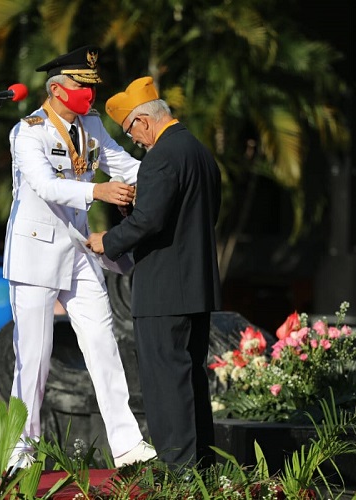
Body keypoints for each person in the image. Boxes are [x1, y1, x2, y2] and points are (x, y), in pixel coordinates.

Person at [2, 46, 156, 470]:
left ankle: (127, 446)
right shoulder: (28, 132)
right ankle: (20, 452)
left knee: (104, 344)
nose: (88, 95)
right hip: (34, 251)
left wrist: (165, 174)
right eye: (80, 87)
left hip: (78, 248)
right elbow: (46, 187)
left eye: (91, 87)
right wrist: (97, 191)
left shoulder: (90, 125)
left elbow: (122, 164)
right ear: (56, 89)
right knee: (32, 357)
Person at [86, 76, 223, 468]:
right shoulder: (198, 151)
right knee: (191, 378)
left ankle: (179, 471)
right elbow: (189, 215)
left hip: (165, 288)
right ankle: (201, 468)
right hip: (196, 286)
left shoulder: (161, 156)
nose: (136, 142)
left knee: (166, 382)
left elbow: (150, 222)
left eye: (131, 132)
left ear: (143, 121)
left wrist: (107, 240)